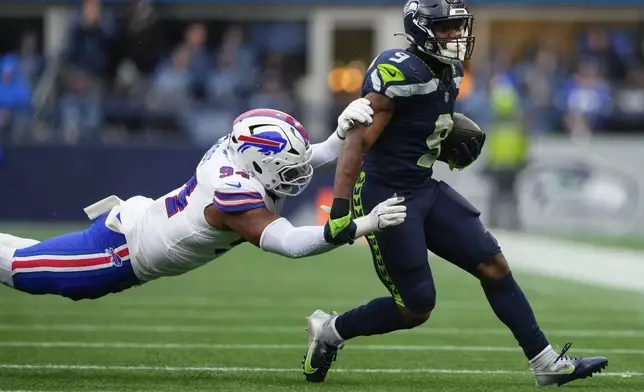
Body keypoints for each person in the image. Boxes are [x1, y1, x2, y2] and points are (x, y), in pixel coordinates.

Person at [301, 0, 607, 387]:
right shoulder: (399, 70)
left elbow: (418, 124)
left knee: (494, 265)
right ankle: (329, 330)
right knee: (416, 307)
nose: (455, 36)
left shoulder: (451, 69)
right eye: (446, 28)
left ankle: (545, 363)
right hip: (388, 197)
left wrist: (442, 138)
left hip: (424, 187)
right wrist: (341, 210)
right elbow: (356, 145)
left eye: (458, 26)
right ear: (421, 30)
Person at [0, 100, 407, 301]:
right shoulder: (235, 194)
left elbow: (305, 159)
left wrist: (339, 133)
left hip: (136, 226)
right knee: (21, 270)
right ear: (257, 166)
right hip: (119, 253)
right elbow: (289, 243)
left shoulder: (239, 156)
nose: (296, 175)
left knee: (30, 255)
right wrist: (359, 225)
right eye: (285, 168)